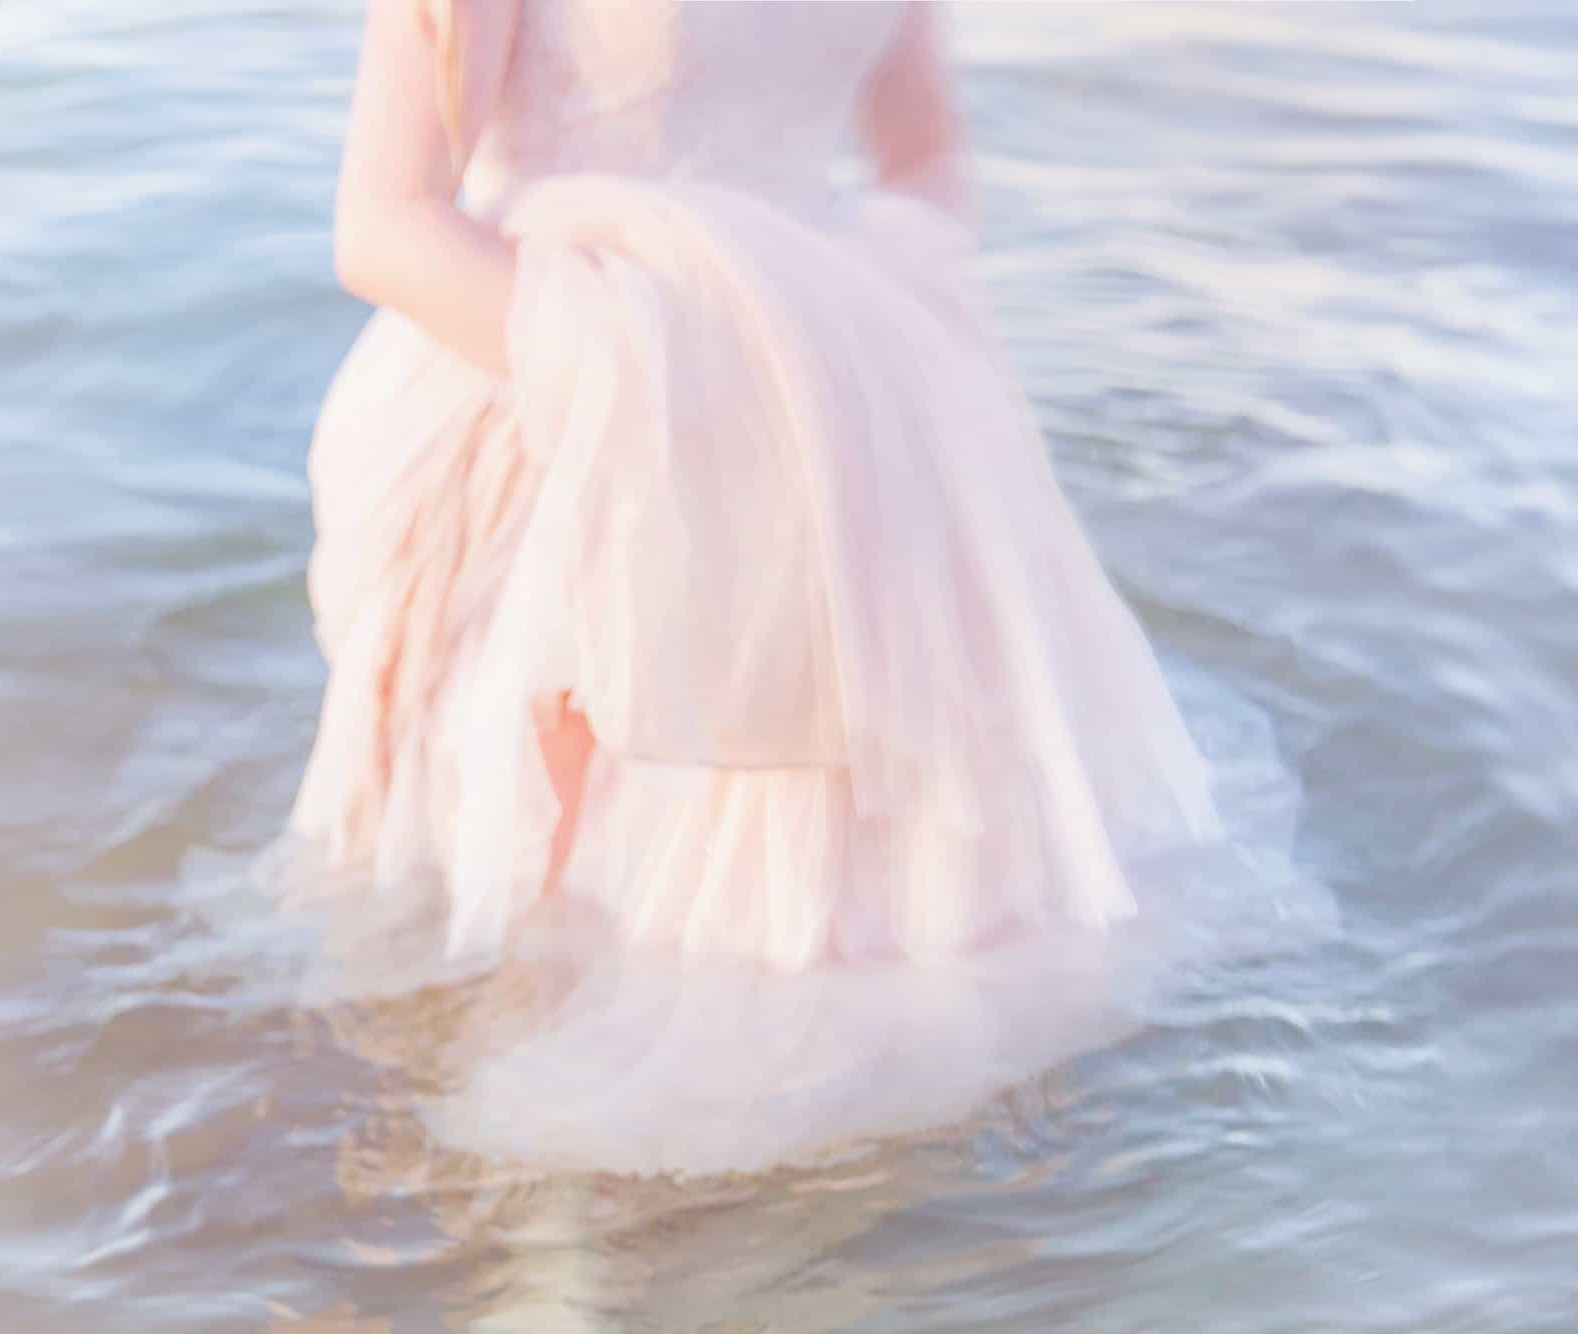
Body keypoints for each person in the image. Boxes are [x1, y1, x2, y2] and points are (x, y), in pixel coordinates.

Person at [260, 1, 1266, 1167]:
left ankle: (751, 1210)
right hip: (556, 407)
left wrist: (862, 348)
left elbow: (924, 157)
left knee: (788, 916)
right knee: (527, 907)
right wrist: (669, 386)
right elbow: (382, 227)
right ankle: (540, 1203)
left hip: (818, 433)